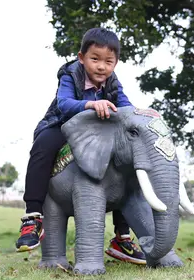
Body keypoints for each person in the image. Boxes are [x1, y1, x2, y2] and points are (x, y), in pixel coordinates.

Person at [15, 27, 146, 265]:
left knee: (127, 160)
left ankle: (122, 236)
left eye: (109, 61)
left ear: (115, 63)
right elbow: (64, 103)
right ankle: (32, 216)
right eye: (95, 59)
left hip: (97, 135)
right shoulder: (70, 74)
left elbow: (126, 109)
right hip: (63, 125)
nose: (101, 67)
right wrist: (89, 106)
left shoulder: (113, 83)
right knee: (42, 148)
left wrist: (142, 114)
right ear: (81, 57)